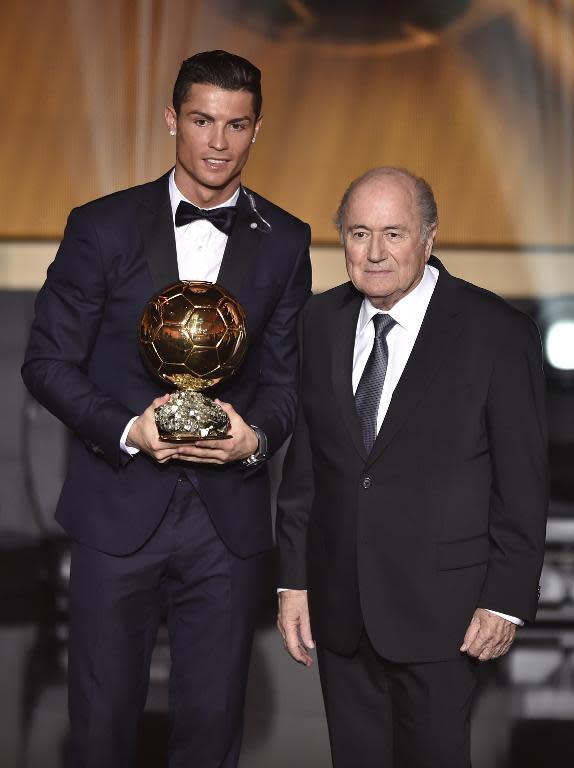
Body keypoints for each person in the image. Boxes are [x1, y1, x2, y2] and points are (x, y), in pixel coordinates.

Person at [22, 50, 311, 768]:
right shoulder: (102, 226)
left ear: (258, 130)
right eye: (202, 120)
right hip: (117, 509)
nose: (219, 142)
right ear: (170, 121)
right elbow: (46, 362)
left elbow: (286, 382)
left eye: (236, 125)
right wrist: (126, 429)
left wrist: (256, 437)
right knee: (99, 725)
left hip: (226, 523)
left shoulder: (288, 241)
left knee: (214, 728)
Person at [276, 167, 547, 767]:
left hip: (446, 612)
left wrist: (505, 598)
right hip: (341, 606)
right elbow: (306, 470)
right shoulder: (318, 323)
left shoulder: (497, 332)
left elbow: (523, 483)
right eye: (358, 233)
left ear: (429, 238)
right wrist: (293, 580)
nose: (374, 253)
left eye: (394, 234)